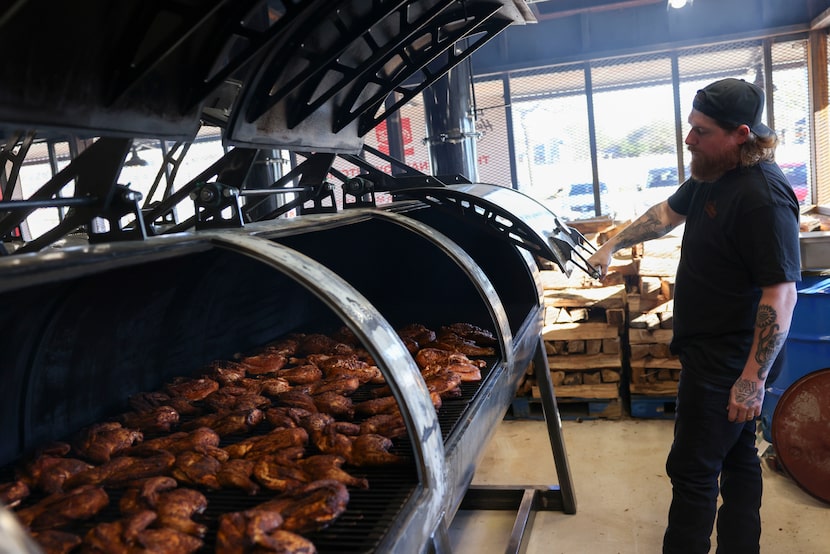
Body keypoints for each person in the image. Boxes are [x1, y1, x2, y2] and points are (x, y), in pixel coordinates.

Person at [587, 78, 800, 554]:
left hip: (731, 361)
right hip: (717, 354)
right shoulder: (715, 170)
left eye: (701, 131)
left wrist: (751, 378)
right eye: (690, 127)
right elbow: (666, 213)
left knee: (693, 473)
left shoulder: (762, 197)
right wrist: (613, 243)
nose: (689, 140)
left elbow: (781, 293)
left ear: (740, 133)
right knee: (739, 456)